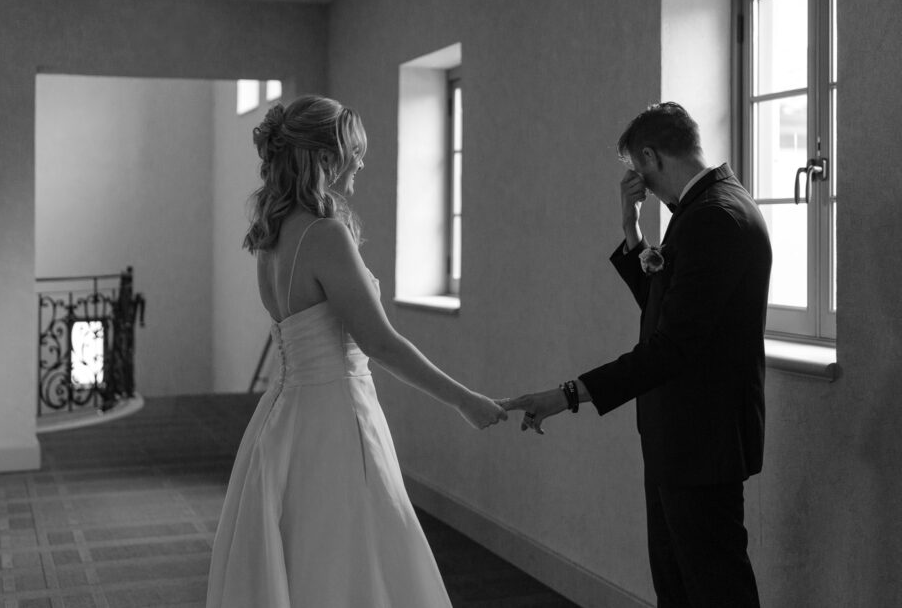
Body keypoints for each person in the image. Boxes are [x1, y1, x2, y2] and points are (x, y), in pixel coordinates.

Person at [205, 94, 507, 607]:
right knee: (356, 553)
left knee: (305, 555)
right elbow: (381, 342)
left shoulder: (270, 237)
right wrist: (464, 400)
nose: (362, 163)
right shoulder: (325, 234)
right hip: (336, 418)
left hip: (283, 414)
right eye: (356, 152)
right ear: (325, 158)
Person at [503, 102, 771, 608]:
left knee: (714, 589)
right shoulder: (701, 210)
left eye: (638, 171)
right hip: (682, 437)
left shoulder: (714, 217)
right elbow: (663, 306)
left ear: (650, 156)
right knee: (677, 584)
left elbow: (669, 348)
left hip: (702, 440)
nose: (640, 184)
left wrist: (568, 395)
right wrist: (632, 229)